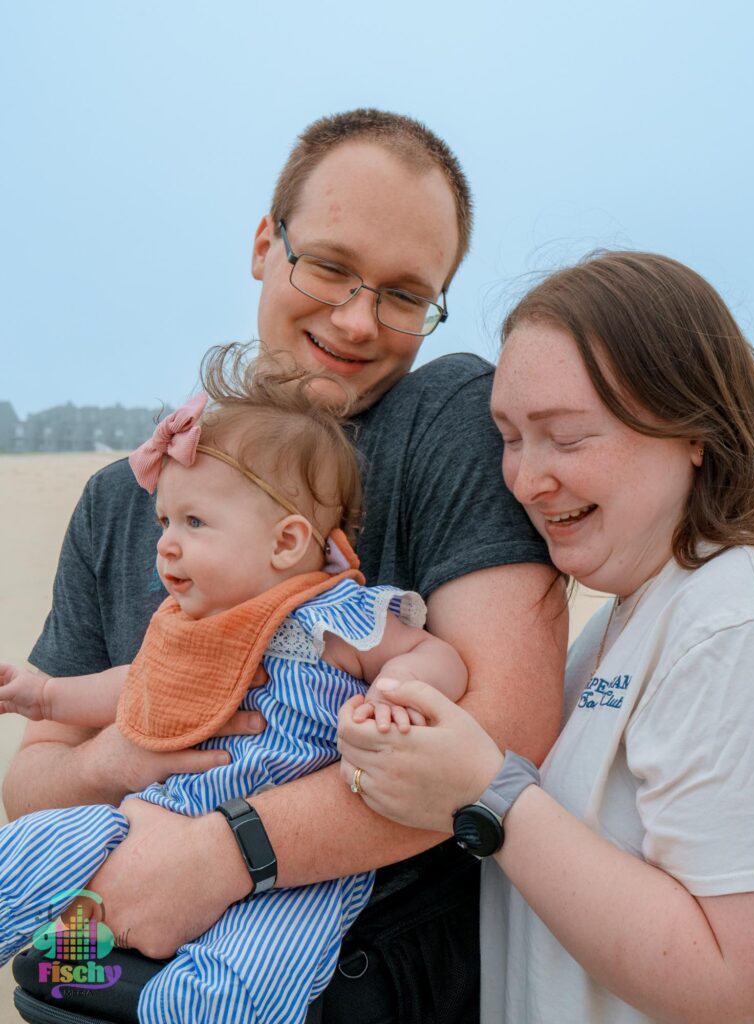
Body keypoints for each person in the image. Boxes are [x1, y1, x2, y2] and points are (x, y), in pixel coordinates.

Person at [2, 110, 565, 1022]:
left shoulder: (445, 420)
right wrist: (128, 751)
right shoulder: (124, 497)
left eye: (403, 294)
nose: (357, 319)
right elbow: (28, 789)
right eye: (330, 267)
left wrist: (222, 857)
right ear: (266, 243)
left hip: (353, 985)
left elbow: (507, 736)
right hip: (91, 972)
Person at [338, 251, 754, 1023]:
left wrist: (483, 795)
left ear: (692, 430)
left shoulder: (742, 620)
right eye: (509, 437)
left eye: (564, 437)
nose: (526, 479)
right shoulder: (620, 623)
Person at [0, 349, 468, 1022]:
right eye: (164, 521)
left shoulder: (333, 618)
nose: (164, 543)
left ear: (285, 543)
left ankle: (174, 1006)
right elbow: (128, 688)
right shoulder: (194, 627)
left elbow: (435, 655)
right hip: (148, 824)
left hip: (296, 869)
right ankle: (64, 960)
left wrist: (394, 692)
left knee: (246, 983)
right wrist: (44, 697)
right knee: (29, 851)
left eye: (193, 523)